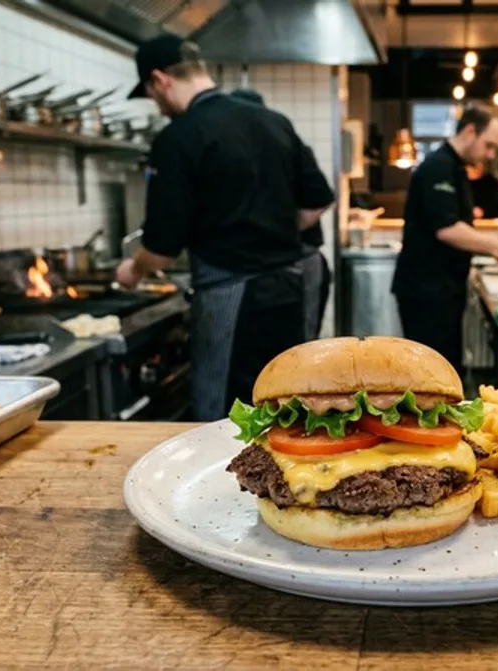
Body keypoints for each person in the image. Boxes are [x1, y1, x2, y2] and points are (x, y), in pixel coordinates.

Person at [115, 36, 334, 420]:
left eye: (152, 95)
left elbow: (162, 247)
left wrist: (133, 269)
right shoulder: (273, 121)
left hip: (232, 293)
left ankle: (219, 480)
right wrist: (274, 227)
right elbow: (317, 201)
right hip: (290, 284)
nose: (159, 106)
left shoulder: (178, 137)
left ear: (159, 81)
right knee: (288, 398)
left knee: (223, 409)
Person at [392, 105, 498, 373]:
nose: (490, 155)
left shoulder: (455, 168)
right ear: (469, 131)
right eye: (488, 145)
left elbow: (459, 224)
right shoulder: (438, 167)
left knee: (443, 368)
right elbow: (447, 228)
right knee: (431, 374)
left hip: (441, 288)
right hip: (426, 292)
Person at [230, 87, 332, 340]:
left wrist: (279, 231)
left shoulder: (283, 146)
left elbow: (321, 199)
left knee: (302, 350)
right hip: (268, 270)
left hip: (300, 260)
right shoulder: (244, 154)